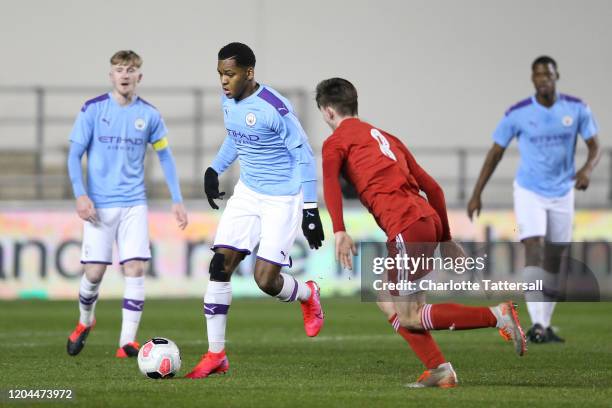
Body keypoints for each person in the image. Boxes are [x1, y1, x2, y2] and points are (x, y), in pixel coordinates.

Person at [317, 77, 526, 388]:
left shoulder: (335, 142)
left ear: (328, 111)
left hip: (404, 225)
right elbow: (433, 188)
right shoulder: (388, 138)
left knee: (410, 314)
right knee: (388, 300)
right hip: (423, 221)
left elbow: (331, 184)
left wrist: (339, 230)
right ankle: (439, 369)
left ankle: (497, 315)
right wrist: (444, 237)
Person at [184, 43, 325, 379]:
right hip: (247, 192)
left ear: (249, 72)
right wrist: (214, 169)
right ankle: (216, 354)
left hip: (283, 197)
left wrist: (310, 208)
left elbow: (304, 156)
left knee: (265, 280)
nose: (223, 81)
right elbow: (236, 136)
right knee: (220, 265)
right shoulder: (229, 99)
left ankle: (307, 294)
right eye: (219, 74)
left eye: (229, 74)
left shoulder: (275, 108)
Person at [467, 56, 601, 343]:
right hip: (529, 191)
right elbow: (495, 153)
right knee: (533, 245)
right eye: (538, 75)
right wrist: (477, 192)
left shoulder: (577, 109)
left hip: (563, 191)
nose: (543, 79)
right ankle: (537, 324)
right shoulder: (518, 112)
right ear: (532, 79)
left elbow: (595, 146)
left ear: (556, 76)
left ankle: (545, 324)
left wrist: (587, 169)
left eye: (548, 75)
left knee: (555, 258)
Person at [66, 50, 188, 358]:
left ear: (139, 77)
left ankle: (126, 342)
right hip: (99, 206)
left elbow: (165, 156)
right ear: (111, 75)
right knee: (94, 274)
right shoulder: (92, 110)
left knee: (135, 268)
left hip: (134, 202)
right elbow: (73, 155)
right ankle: (85, 321)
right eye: (119, 69)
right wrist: (80, 194)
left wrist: (177, 198)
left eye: (130, 70)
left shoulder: (149, 115)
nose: (124, 74)